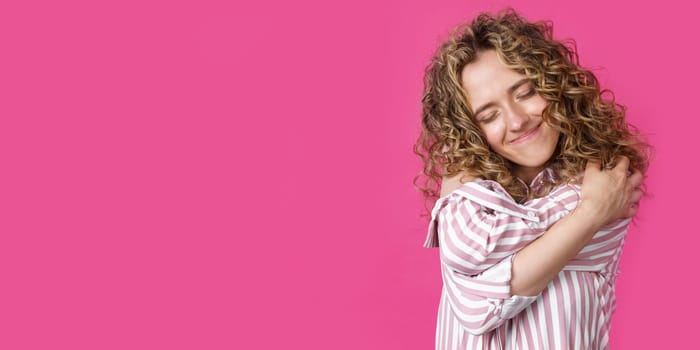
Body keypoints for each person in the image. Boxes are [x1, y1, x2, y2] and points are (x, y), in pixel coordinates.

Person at [413, 8, 650, 350]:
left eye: (525, 93)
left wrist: (594, 212)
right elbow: (474, 273)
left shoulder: (607, 178)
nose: (516, 120)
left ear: (554, 83)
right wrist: (590, 212)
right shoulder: (600, 196)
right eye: (489, 115)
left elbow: (478, 304)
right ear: (470, 131)